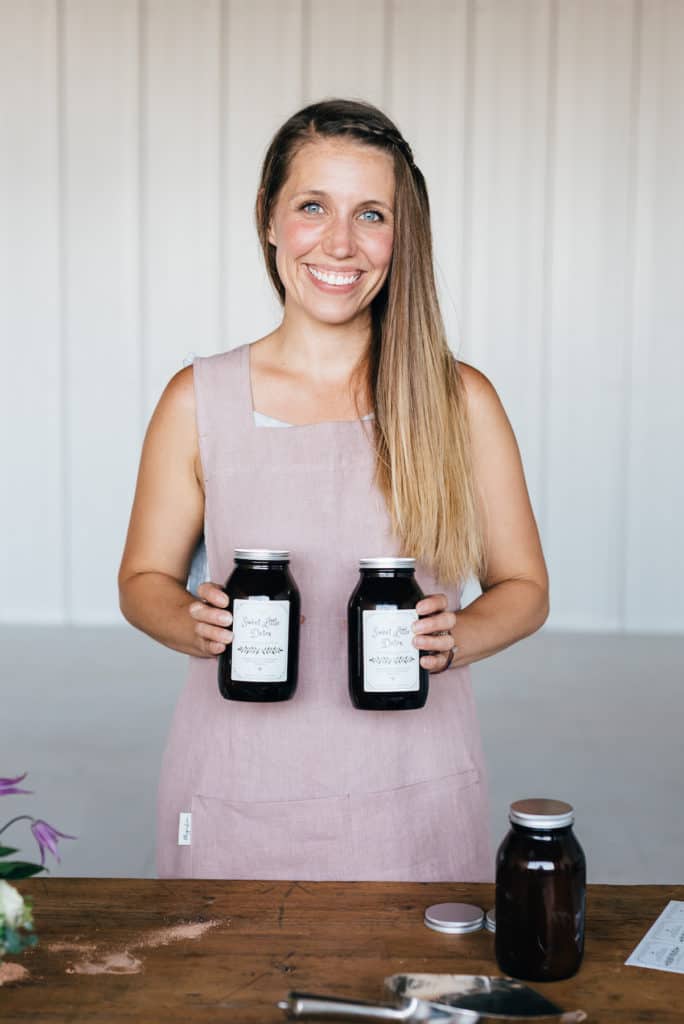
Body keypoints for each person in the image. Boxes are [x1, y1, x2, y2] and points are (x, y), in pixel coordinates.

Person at [118, 98, 548, 881]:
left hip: (413, 796)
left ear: (401, 234)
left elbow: (523, 587)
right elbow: (142, 579)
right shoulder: (197, 399)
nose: (340, 244)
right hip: (235, 788)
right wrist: (190, 620)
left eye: (372, 214)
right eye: (313, 206)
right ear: (270, 218)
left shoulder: (460, 400)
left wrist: (456, 638)